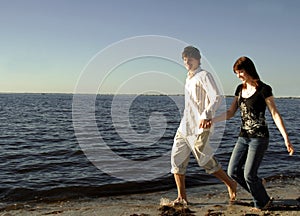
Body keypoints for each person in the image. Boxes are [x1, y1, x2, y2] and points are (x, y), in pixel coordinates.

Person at [212, 56, 295, 210]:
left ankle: (262, 203)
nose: (238, 76)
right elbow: (231, 112)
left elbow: (275, 114)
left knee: (249, 175)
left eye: (240, 72)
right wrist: (212, 120)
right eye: (236, 73)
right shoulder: (239, 89)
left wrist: (286, 139)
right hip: (243, 137)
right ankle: (259, 189)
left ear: (249, 70)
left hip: (259, 138)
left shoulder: (264, 89)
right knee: (233, 171)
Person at [171, 46, 237, 205]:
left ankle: (230, 183)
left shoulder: (204, 75)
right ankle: (182, 197)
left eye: (190, 58)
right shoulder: (188, 78)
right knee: (176, 159)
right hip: (184, 125)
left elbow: (217, 97)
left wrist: (206, 114)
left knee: (203, 160)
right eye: (185, 58)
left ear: (198, 59)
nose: (187, 61)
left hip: (200, 126)